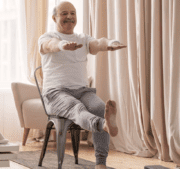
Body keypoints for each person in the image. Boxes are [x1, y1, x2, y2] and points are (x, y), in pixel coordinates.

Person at [38, 1, 127, 169]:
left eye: (73, 13)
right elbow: (50, 46)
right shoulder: (47, 37)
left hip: (82, 91)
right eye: (64, 13)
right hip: (56, 93)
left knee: (100, 107)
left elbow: (97, 43)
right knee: (76, 108)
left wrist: (109, 44)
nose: (69, 17)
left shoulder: (82, 39)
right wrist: (63, 45)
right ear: (54, 17)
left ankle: (101, 163)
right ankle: (102, 125)